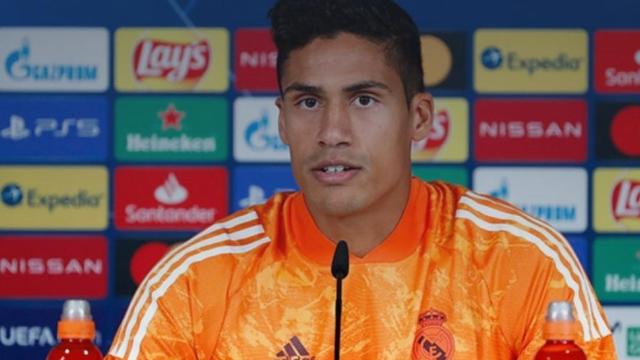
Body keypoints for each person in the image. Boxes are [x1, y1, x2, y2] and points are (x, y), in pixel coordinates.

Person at [106, 0, 616, 358]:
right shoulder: (200, 277)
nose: (332, 132)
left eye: (364, 99)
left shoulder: (521, 261)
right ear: (281, 121)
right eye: (308, 102)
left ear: (419, 117)